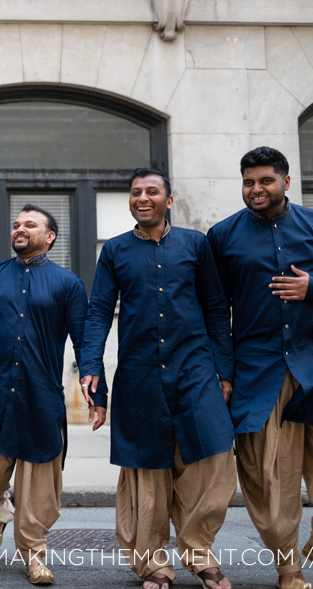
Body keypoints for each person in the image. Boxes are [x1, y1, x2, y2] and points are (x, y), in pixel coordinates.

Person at [80, 169, 236, 589]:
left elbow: (217, 308)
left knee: (213, 459)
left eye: (152, 191)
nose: (142, 198)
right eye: (135, 192)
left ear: (169, 200)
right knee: (146, 470)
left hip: (196, 369)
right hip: (140, 373)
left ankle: (198, 552)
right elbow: (98, 310)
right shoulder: (114, 250)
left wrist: (225, 370)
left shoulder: (196, 245)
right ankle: (154, 566)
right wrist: (91, 364)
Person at [207, 147, 313, 589]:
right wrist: (224, 373)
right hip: (257, 373)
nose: (256, 189)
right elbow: (214, 311)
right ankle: (289, 570)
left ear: (286, 181)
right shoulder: (222, 236)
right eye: (248, 182)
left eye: (265, 181)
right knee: (271, 482)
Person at [0, 204, 88, 585]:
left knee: (39, 482)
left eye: (29, 225)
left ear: (49, 237)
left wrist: (92, 381)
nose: (19, 228)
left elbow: (84, 337)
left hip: (40, 391)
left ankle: (33, 554)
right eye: (16, 224)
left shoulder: (68, 284)